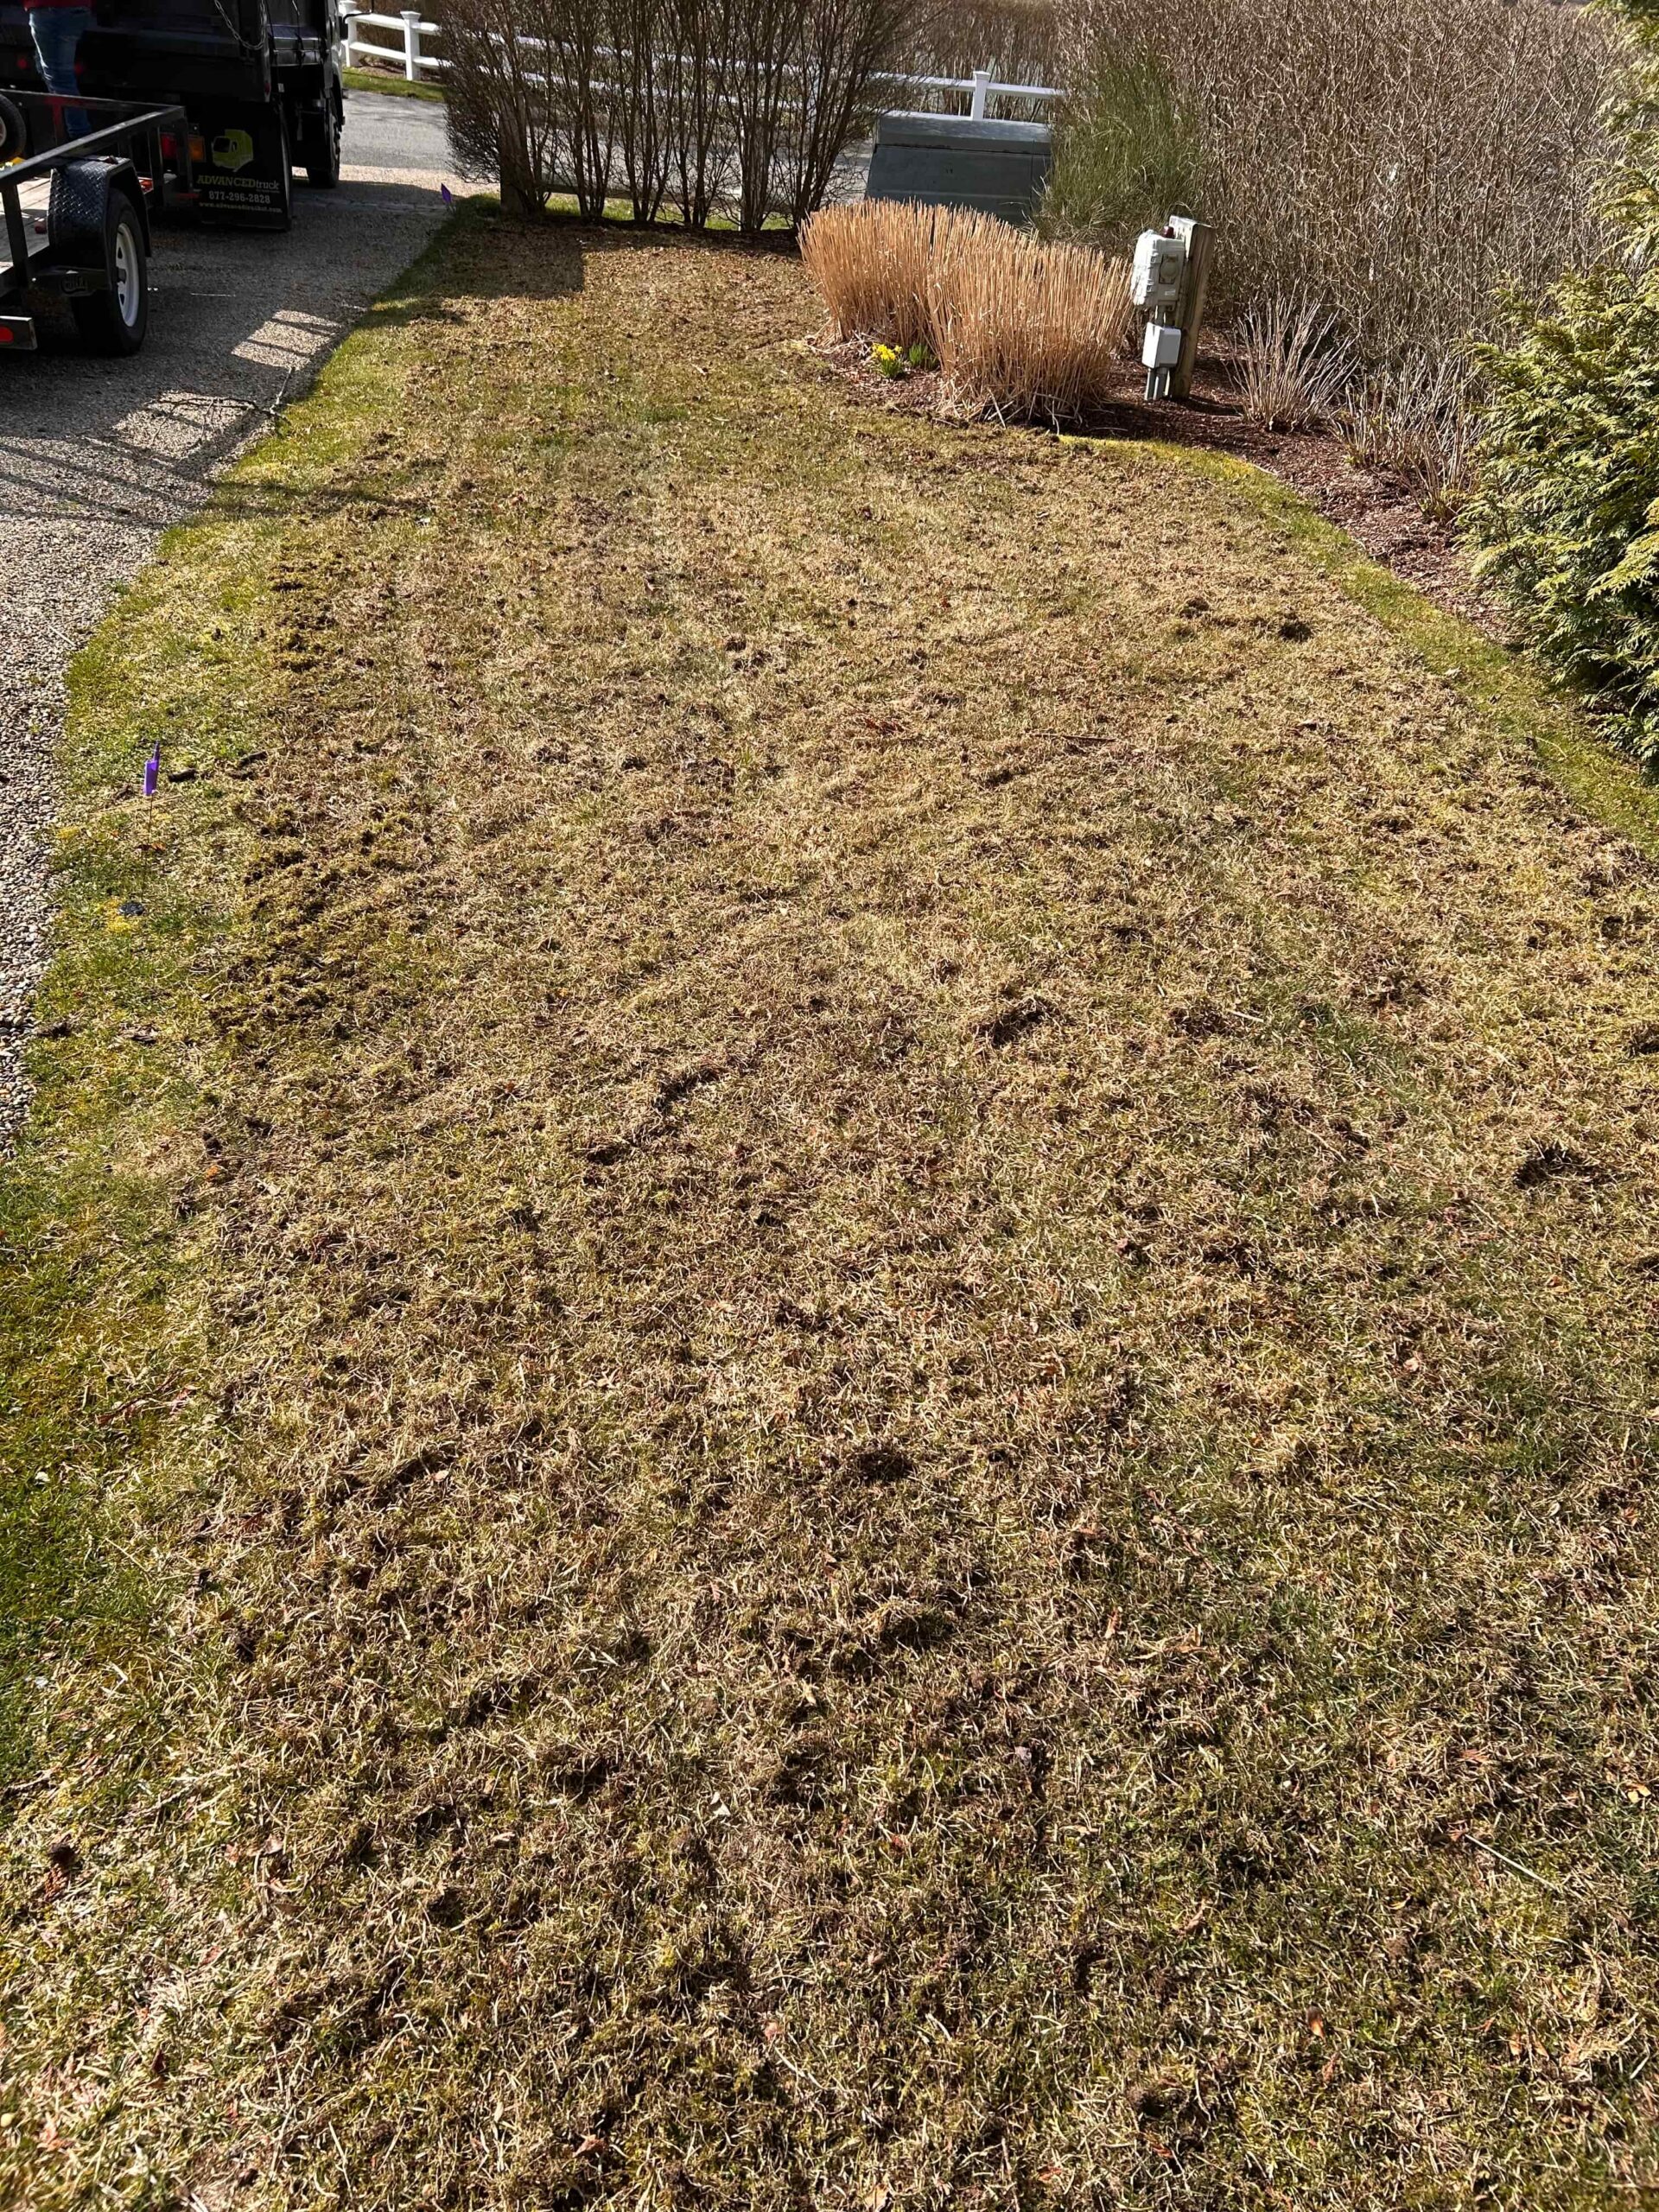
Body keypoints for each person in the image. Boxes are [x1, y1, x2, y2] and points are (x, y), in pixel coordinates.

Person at [22, 0, 92, 140]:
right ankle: (70, 131)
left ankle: (80, 140)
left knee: (60, 80)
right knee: (49, 72)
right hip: (76, 8)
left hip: (51, 9)